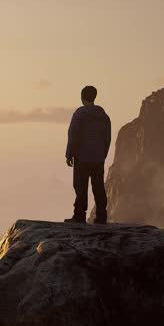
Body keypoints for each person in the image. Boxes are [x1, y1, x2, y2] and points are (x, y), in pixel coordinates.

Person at [65, 85, 112, 224]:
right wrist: (103, 154)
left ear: (82, 97)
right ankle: (101, 216)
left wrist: (69, 154)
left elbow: (73, 136)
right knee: (98, 187)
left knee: (80, 186)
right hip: (98, 158)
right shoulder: (104, 116)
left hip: (82, 157)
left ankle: (79, 216)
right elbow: (107, 138)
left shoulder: (79, 114)